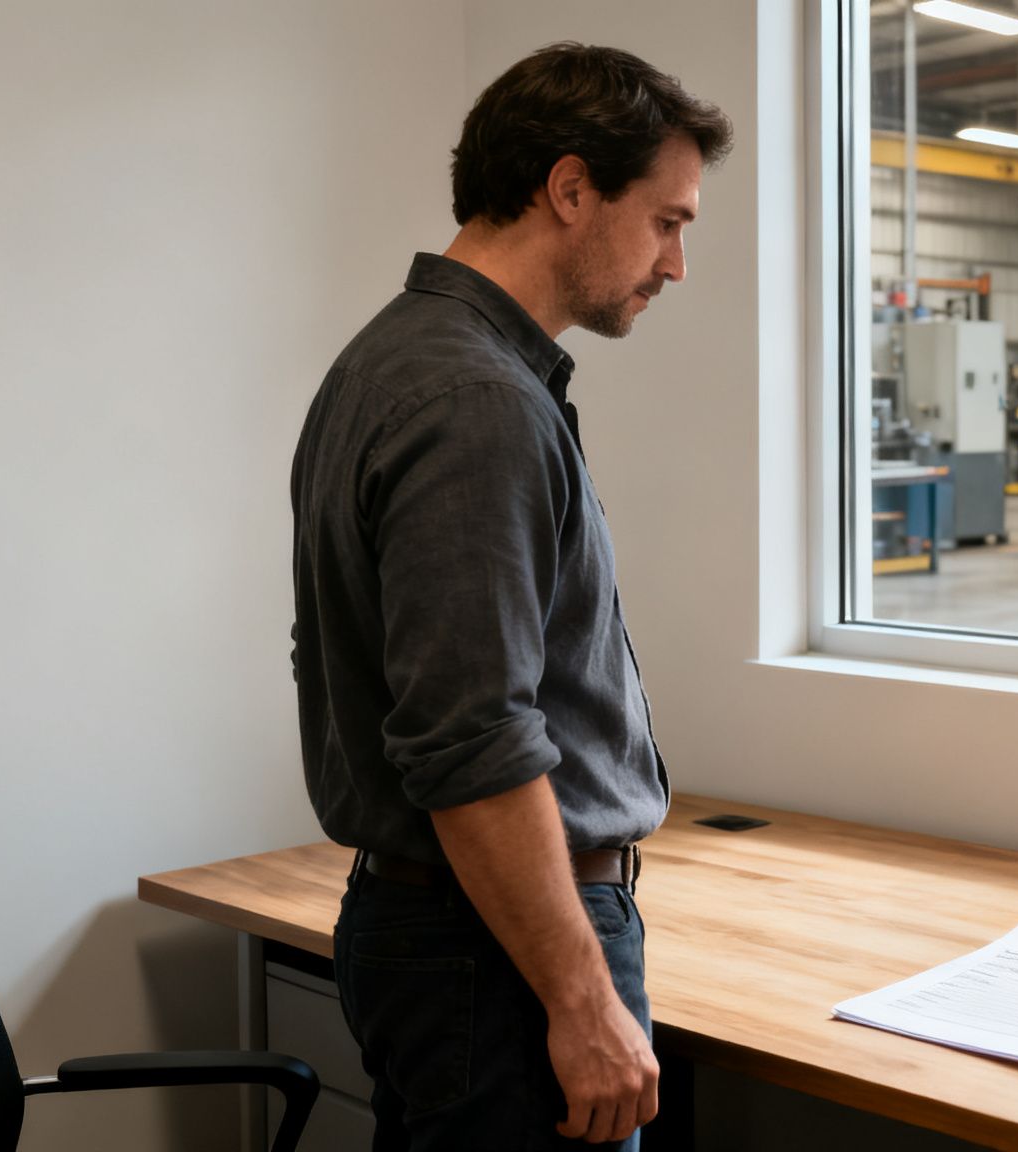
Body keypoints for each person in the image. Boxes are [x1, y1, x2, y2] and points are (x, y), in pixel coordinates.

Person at [289, 43, 731, 1151]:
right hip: (496, 953)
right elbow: (471, 736)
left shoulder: (389, 363)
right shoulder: (472, 403)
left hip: (454, 935)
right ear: (570, 189)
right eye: (666, 221)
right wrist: (582, 1002)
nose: (675, 264)